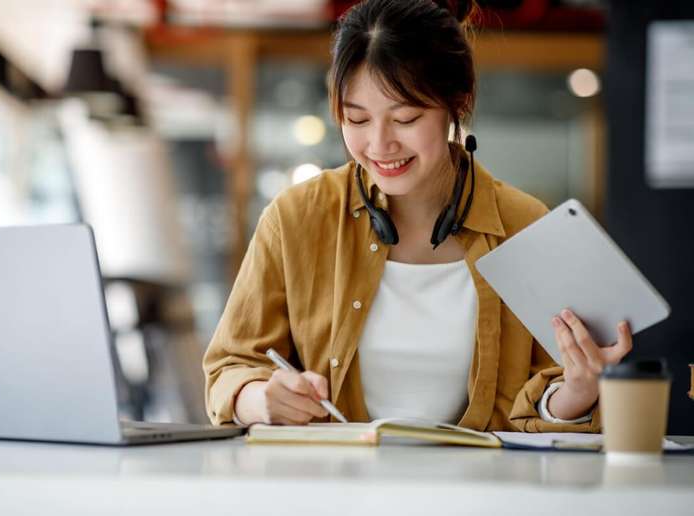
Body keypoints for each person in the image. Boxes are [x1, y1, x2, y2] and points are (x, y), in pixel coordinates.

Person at [203, 0, 632, 431]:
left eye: (405, 118)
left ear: (456, 104)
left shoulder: (526, 226)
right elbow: (229, 366)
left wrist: (576, 393)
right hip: (333, 490)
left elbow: (547, 393)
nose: (379, 144)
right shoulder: (296, 218)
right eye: (357, 119)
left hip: (486, 494)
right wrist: (260, 399)